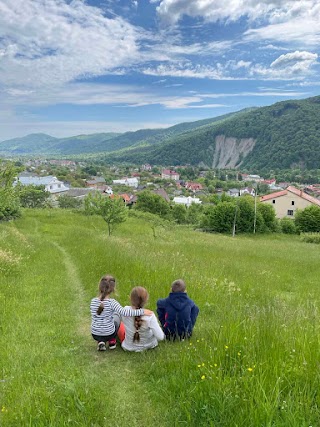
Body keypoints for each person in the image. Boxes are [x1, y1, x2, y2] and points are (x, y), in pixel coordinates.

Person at [90, 275, 153, 351]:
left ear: (100, 286)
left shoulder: (93, 301)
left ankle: (101, 341)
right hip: (109, 333)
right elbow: (125, 312)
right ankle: (112, 341)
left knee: (102, 320)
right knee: (117, 315)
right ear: (113, 289)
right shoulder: (112, 302)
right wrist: (142, 311)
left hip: (95, 333)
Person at [121, 286, 165, 352]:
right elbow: (160, 337)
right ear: (146, 300)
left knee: (121, 325)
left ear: (130, 298)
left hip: (128, 346)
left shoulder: (125, 311)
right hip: (149, 345)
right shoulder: (150, 316)